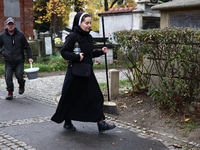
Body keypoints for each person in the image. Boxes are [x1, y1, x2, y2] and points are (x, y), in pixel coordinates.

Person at [51, 12, 116, 133]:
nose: (89, 25)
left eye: (90, 23)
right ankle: (67, 121)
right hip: (75, 73)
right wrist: (76, 57)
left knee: (96, 96)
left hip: (87, 72)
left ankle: (101, 123)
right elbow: (64, 52)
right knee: (70, 98)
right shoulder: (73, 36)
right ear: (79, 23)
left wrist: (101, 51)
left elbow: (89, 54)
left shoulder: (88, 37)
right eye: (86, 23)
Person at [0, 17, 33, 100]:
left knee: (19, 75)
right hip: (8, 61)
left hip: (19, 60)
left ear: (15, 25)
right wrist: (2, 52)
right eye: (9, 25)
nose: (10, 26)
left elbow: (27, 46)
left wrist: (30, 57)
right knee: (8, 77)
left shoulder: (20, 35)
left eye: (12, 24)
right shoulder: (2, 36)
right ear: (6, 26)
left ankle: (21, 84)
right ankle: (10, 92)